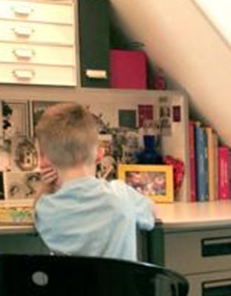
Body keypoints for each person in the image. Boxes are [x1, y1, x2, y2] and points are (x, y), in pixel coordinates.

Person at [34, 102, 157, 261]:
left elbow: (36, 210)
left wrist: (47, 186)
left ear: (46, 160)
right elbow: (152, 214)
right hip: (120, 286)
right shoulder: (120, 193)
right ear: (100, 154)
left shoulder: (46, 207)